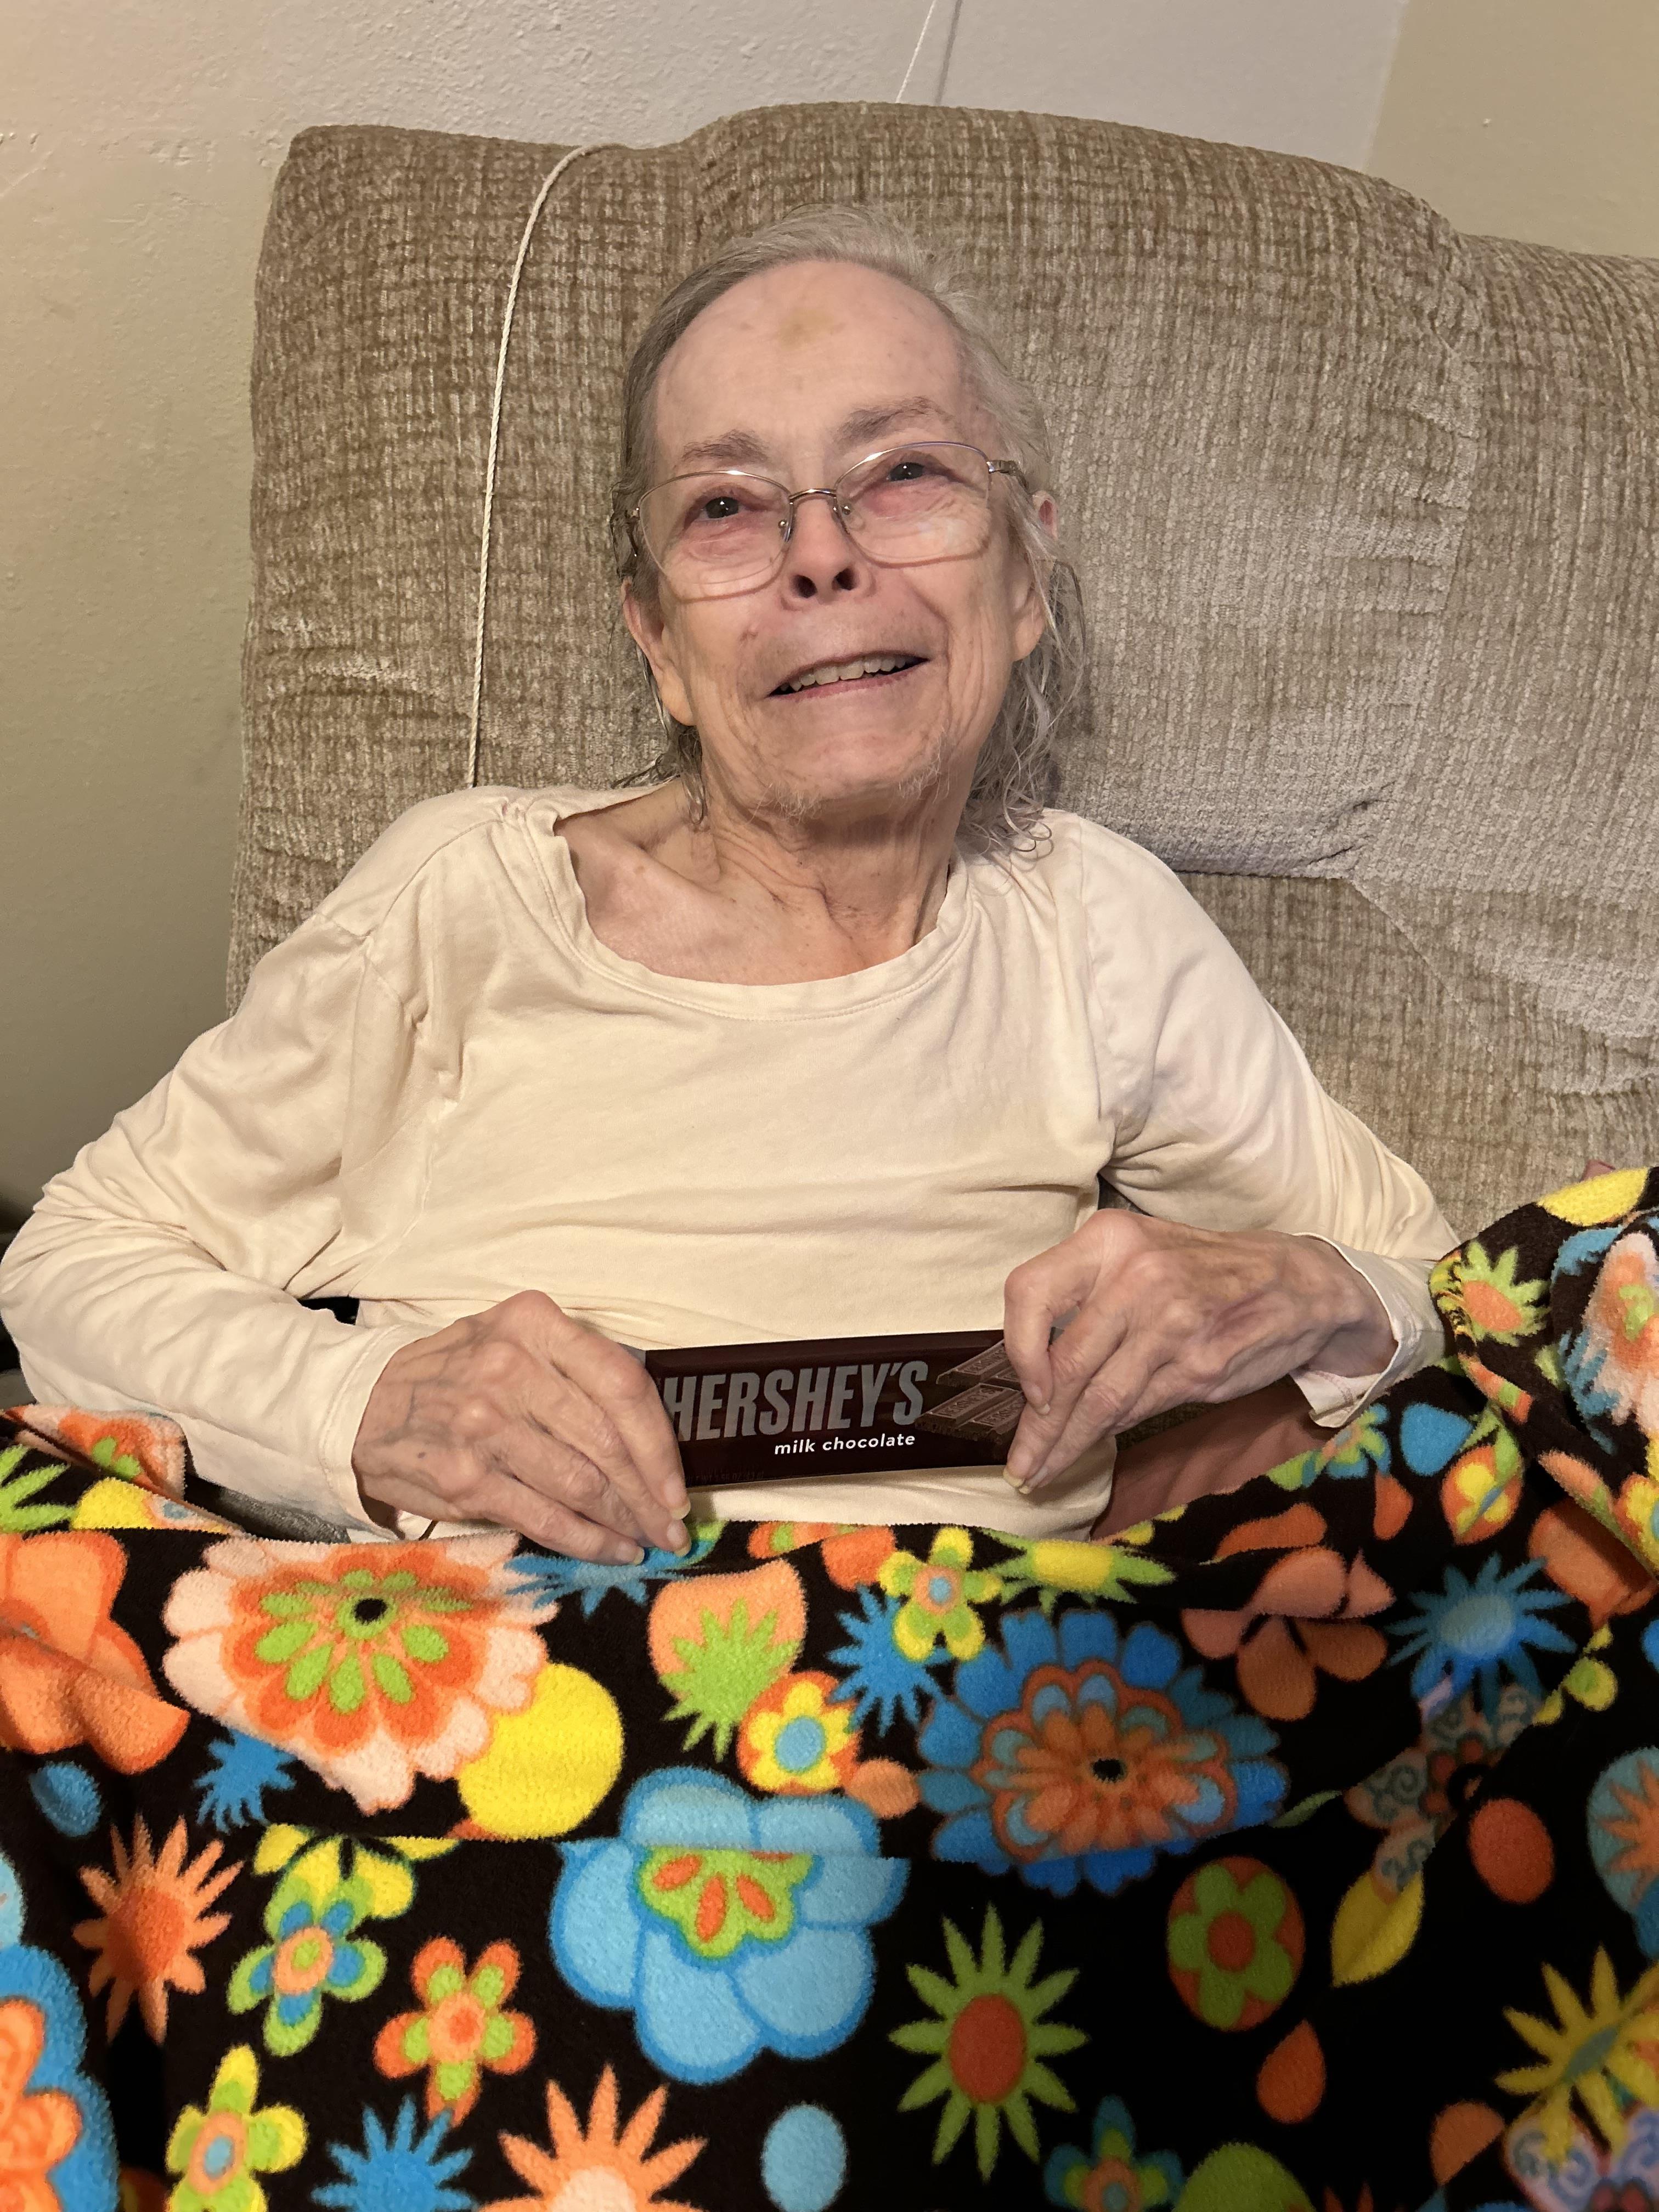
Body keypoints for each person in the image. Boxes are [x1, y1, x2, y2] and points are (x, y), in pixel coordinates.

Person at [0, 208, 1454, 1565]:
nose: (821, 554)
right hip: (514, 1717)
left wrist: (1308, 1291)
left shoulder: (1094, 926)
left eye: (906, 474)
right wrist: (366, 1404)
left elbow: (1437, 1284)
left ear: (1024, 579)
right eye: (726, 507)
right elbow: (73, 1262)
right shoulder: (471, 901)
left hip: (969, 1730)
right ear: (656, 639)